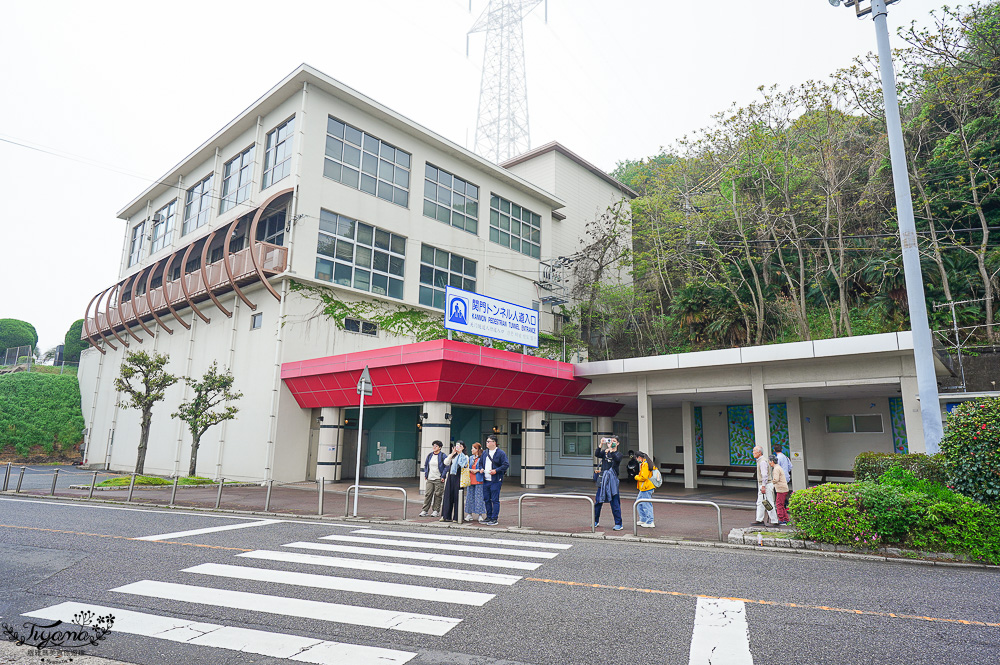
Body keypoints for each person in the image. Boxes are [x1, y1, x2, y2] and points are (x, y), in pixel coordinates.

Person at [594, 437, 624, 530]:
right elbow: (597, 454)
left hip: (612, 481)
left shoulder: (618, 454)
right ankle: (595, 520)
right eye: (611, 441)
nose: (612, 443)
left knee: (615, 503)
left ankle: (619, 523)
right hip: (603, 479)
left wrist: (611, 450)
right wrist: (601, 444)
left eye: (614, 442)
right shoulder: (605, 452)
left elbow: (616, 459)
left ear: (618, 443)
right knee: (598, 501)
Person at [481, 434, 509, 525]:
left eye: (488, 441)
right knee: (486, 499)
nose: (487, 443)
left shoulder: (500, 453)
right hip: (486, 479)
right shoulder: (485, 452)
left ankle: (494, 518)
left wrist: (496, 471)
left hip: (496, 480)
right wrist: (481, 468)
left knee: (494, 499)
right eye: (486, 441)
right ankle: (488, 516)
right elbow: (481, 463)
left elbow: (505, 465)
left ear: (494, 443)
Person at [440, 441, 468, 522]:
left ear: (463, 447)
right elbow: (446, 462)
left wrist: (460, 454)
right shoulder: (453, 456)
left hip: (459, 477)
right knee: (448, 496)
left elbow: (463, 464)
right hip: (451, 477)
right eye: (456, 446)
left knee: (457, 497)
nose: (457, 447)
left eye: (459, 446)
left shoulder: (464, 456)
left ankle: (457, 517)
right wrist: (452, 454)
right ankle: (445, 516)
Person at [751, 445, 778, 526]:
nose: (753, 453)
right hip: (764, 484)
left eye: (754, 451)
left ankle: (774, 520)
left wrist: (763, 486)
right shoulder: (761, 461)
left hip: (766, 484)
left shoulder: (762, 461)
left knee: (769, 502)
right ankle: (759, 519)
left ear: (759, 452)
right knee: (760, 502)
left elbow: (764, 475)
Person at [419, 440, 447, 517]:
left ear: (440, 447)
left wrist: (443, 476)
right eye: (433, 446)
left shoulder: (443, 456)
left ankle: (436, 510)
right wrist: (426, 474)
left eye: (436, 446)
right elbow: (426, 465)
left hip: (438, 478)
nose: (434, 447)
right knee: (428, 494)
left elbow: (447, 466)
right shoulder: (430, 455)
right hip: (430, 478)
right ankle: (425, 510)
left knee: (438, 495)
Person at [465, 442, 486, 522]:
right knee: (470, 497)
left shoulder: (482, 458)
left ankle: (480, 515)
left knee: (479, 497)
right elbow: (466, 467)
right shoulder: (470, 458)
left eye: (473, 448)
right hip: (470, 479)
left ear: (477, 449)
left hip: (479, 480)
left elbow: (483, 468)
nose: (472, 450)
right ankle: (469, 514)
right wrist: (471, 470)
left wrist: (477, 470)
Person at [634, 451, 655, 528]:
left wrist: (636, 477)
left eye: (636, 458)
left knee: (646, 504)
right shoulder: (645, 463)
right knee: (639, 503)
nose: (637, 460)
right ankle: (643, 519)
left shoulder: (645, 464)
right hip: (644, 487)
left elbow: (644, 477)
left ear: (639, 457)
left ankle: (650, 521)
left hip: (646, 487)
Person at [769, 454, 790, 525]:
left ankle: (781, 519)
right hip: (783, 488)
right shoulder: (778, 467)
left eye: (769, 461)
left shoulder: (776, 469)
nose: (769, 463)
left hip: (781, 489)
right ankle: (786, 519)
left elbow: (776, 479)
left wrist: (771, 483)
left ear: (772, 461)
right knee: (782, 504)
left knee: (779, 504)